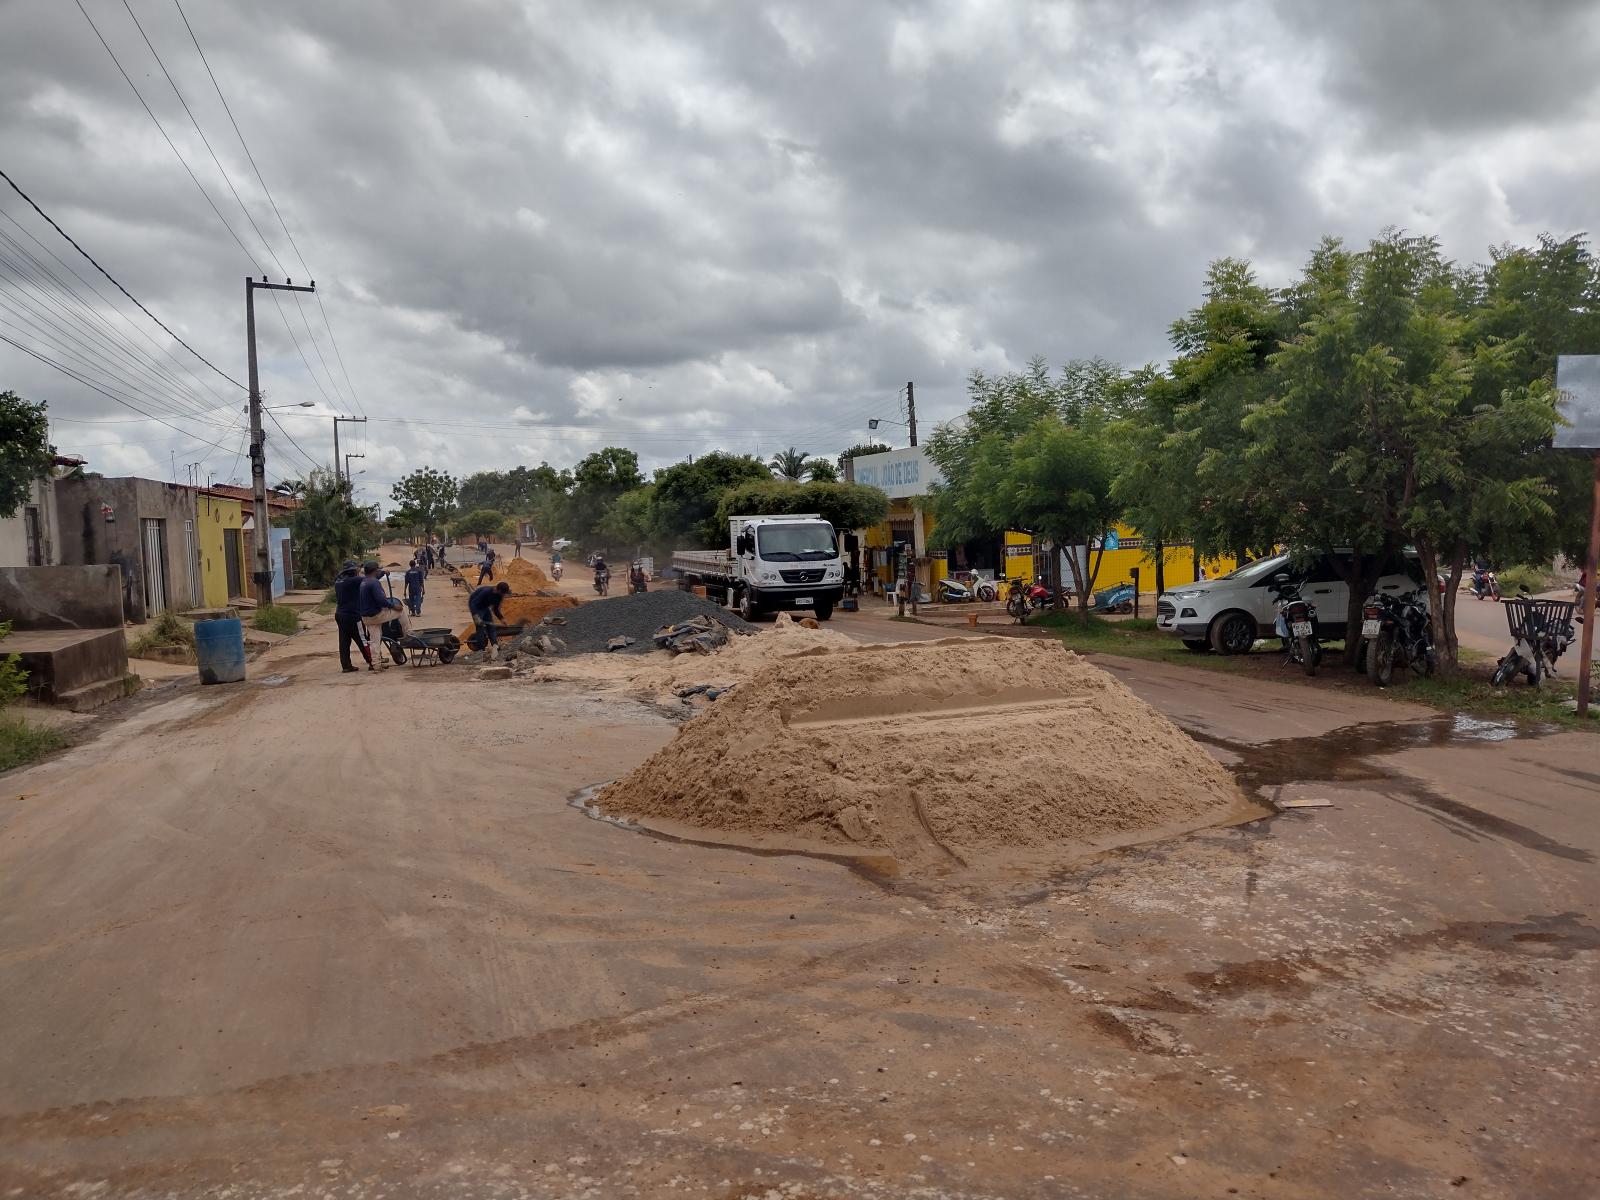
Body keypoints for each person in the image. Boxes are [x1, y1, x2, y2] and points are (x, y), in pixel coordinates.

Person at [359, 561, 410, 668]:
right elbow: (381, 600)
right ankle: (408, 635)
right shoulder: (374, 582)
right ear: (374, 571)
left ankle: (376, 665)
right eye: (378, 570)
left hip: (366, 617)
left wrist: (383, 572)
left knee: (375, 640)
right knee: (400, 612)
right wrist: (393, 606)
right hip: (376, 615)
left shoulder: (364, 582)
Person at [332, 560, 371, 673]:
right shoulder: (354, 580)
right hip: (353, 615)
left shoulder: (339, 581)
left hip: (340, 614)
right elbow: (370, 578)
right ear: (353, 571)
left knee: (344, 642)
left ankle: (346, 665)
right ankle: (372, 662)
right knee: (362, 639)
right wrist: (382, 572)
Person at [468, 580, 511, 659]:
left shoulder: (499, 596)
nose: (504, 595)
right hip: (476, 607)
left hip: (485, 607)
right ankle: (481, 650)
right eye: (503, 593)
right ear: (498, 590)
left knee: (491, 627)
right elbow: (473, 603)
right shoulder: (486, 592)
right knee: (480, 627)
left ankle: (495, 646)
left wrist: (502, 618)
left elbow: (495, 610)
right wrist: (476, 616)